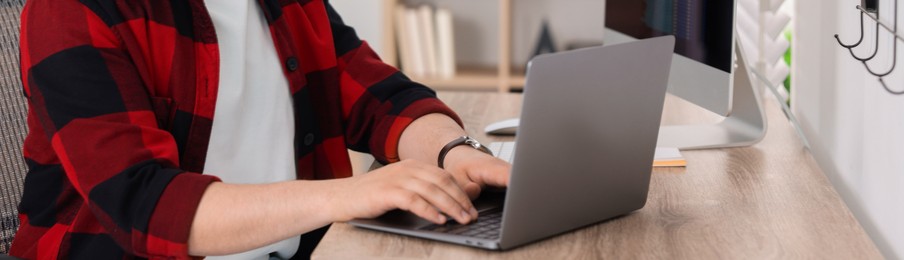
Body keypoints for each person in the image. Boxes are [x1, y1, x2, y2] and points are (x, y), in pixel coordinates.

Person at [9, 0, 510, 259]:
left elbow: (381, 99)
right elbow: (146, 204)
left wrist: (454, 151)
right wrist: (348, 195)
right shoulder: (70, 10)